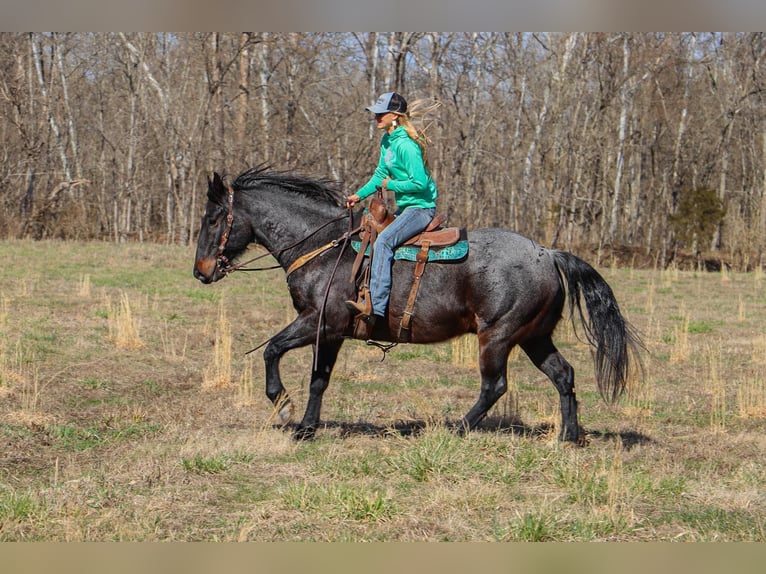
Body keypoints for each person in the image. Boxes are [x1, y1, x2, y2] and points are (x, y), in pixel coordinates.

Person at [345, 92, 438, 327]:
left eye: (380, 113)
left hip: (420, 209)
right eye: (375, 113)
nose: (376, 117)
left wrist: (391, 185)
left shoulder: (407, 145)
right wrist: (359, 194)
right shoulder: (387, 140)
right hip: (405, 208)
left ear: (395, 116)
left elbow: (420, 183)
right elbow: (379, 174)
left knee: (384, 241)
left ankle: (375, 306)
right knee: (369, 233)